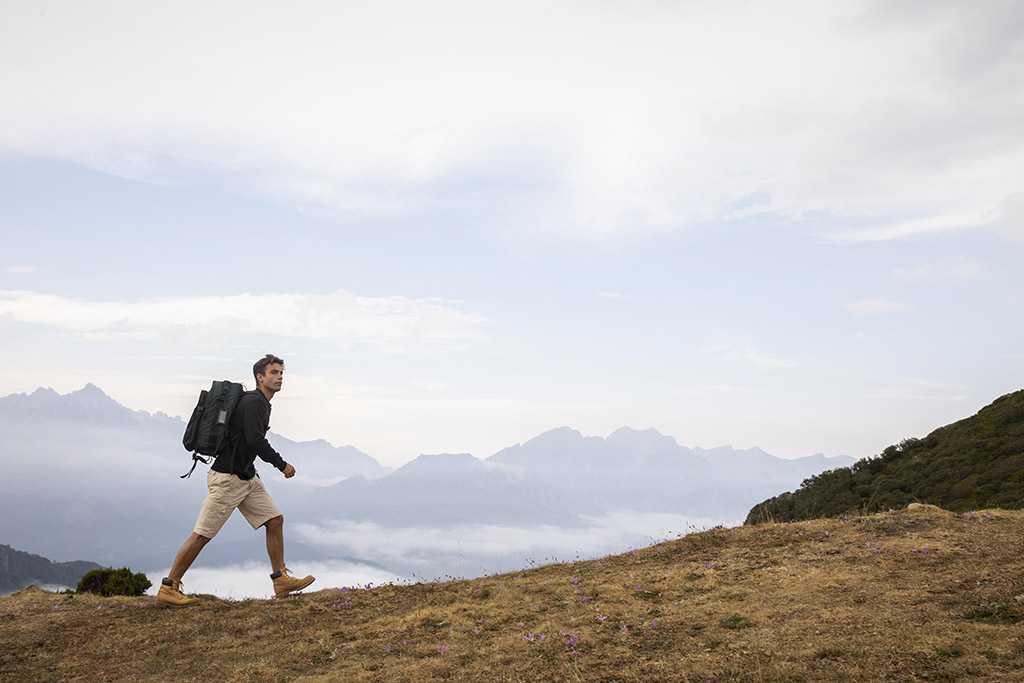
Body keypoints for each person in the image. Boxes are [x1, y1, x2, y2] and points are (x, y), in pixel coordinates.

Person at [157, 354, 315, 606]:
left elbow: (243, 441)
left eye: (281, 373)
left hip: (245, 476)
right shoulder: (255, 403)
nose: (279, 377)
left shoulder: (260, 403)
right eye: (273, 373)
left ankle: (280, 579)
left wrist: (250, 467)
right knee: (202, 534)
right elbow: (255, 440)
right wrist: (281, 464)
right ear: (259, 377)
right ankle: (169, 586)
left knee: (274, 520)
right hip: (228, 479)